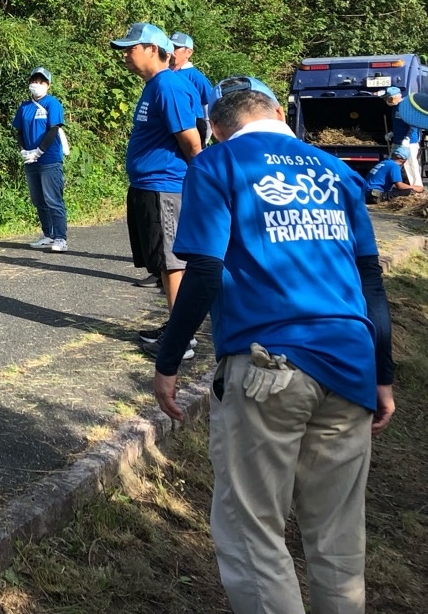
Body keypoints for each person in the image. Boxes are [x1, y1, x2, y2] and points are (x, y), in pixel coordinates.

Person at [153, 76, 394, 614]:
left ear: (215, 130)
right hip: (350, 362)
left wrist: (168, 359)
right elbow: (370, 281)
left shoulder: (217, 165)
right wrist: (383, 373)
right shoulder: (338, 173)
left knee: (251, 530)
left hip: (269, 369)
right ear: (279, 114)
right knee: (338, 535)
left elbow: (206, 270)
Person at [109, 22, 202, 355]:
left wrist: (203, 186)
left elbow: (192, 143)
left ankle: (181, 342)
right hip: (150, 186)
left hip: (165, 187)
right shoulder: (155, 85)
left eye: (131, 49)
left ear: (153, 49)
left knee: (173, 262)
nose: (125, 56)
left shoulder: (169, 87)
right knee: (163, 263)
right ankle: (176, 325)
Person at [12, 67, 68, 252]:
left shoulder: (52, 103)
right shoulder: (24, 107)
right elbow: (19, 131)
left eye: (41, 82)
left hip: (49, 159)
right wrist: (24, 150)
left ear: (48, 85)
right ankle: (48, 234)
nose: (37, 85)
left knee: (53, 199)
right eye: (34, 81)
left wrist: (39, 151)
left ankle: (60, 237)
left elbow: (53, 129)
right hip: (31, 160)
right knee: (39, 199)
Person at [169, 32, 213, 144]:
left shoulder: (197, 78)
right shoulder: (165, 74)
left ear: (189, 52)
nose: (171, 50)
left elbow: (208, 109)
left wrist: (204, 141)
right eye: (170, 46)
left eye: (176, 47)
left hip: (191, 133)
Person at [382, 86, 422, 187]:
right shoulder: (394, 107)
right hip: (397, 140)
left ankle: (417, 188)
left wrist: (407, 138)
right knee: (392, 164)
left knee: (411, 165)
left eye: (388, 98)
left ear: (395, 97)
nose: (387, 100)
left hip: (409, 142)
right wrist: (392, 133)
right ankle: (390, 187)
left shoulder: (407, 107)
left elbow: (413, 124)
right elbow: (399, 124)